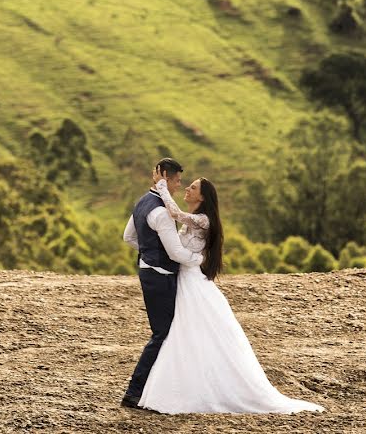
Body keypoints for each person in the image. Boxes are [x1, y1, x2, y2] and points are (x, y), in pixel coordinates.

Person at [128, 164, 324, 414]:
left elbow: (175, 215)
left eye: (193, 187)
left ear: (202, 197)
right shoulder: (178, 214)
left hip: (190, 279)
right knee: (182, 333)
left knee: (183, 332)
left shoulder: (203, 219)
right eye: (184, 184)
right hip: (182, 278)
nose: (186, 188)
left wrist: (161, 187)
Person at [120, 158, 204, 409]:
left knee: (165, 332)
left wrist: (148, 252)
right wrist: (199, 259)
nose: (179, 186)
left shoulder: (142, 202)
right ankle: (135, 392)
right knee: (162, 334)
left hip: (148, 271)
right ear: (165, 178)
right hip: (161, 277)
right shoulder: (161, 212)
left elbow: (128, 237)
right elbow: (176, 253)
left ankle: (155, 389)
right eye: (177, 180)